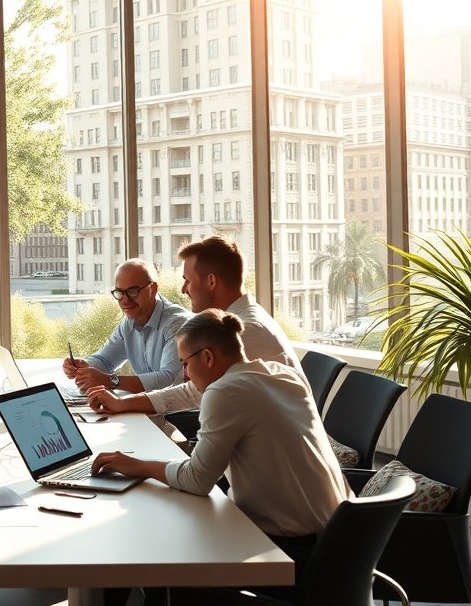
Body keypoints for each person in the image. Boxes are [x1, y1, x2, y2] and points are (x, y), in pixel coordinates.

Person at [91, 309, 348, 573]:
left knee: (157, 542)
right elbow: (190, 391)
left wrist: (138, 466)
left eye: (185, 364)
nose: (185, 374)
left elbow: (197, 480)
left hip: (290, 552)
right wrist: (123, 404)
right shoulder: (280, 373)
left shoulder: (225, 392)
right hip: (335, 542)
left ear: (208, 357)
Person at [86, 235, 303, 417]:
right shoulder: (237, 322)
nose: (183, 289)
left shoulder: (246, 331)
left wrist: (122, 401)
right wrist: (122, 403)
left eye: (187, 280)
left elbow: (191, 393)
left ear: (211, 281)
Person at [62, 259, 189, 394]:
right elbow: (105, 361)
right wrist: (83, 367)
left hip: (180, 411)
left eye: (133, 291)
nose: (125, 300)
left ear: (153, 289)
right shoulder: (129, 322)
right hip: (152, 406)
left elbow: (168, 380)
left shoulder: (178, 324)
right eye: (119, 292)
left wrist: (110, 381)